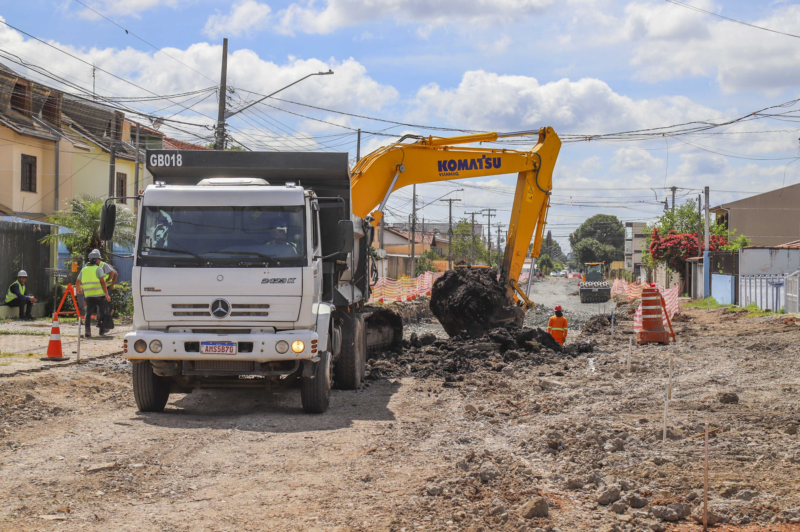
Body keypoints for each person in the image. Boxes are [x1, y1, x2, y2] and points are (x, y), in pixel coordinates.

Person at [76, 249, 115, 338]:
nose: (99, 261)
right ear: (96, 260)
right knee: (101, 312)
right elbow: (103, 283)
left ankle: (87, 331)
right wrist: (107, 295)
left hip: (89, 296)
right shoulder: (99, 269)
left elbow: (78, 281)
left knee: (88, 313)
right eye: (99, 259)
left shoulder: (84, 269)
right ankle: (101, 330)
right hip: (99, 296)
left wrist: (79, 289)